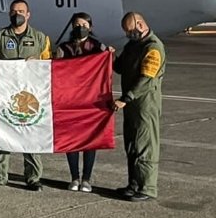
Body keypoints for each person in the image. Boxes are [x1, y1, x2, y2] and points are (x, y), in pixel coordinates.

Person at [0, 0, 51, 190]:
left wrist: (37, 59)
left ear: (28, 14)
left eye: (21, 11)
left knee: (31, 135)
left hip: (31, 95)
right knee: (3, 134)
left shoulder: (40, 38)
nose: (17, 14)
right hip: (5, 95)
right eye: (14, 11)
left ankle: (33, 178)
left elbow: (49, 65)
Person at [53, 12, 112, 192]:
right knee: (71, 139)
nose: (80, 28)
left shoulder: (97, 47)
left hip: (91, 101)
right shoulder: (64, 48)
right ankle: (74, 177)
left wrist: (110, 54)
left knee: (89, 140)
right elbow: (57, 69)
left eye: (84, 24)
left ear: (90, 27)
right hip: (70, 100)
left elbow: (106, 67)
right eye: (77, 25)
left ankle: (86, 179)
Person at [113, 11, 165, 202]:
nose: (128, 35)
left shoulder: (153, 48)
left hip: (145, 104)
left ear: (140, 25)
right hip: (132, 105)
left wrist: (126, 98)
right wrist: (110, 56)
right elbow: (120, 67)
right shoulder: (133, 45)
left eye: (130, 31)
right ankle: (134, 184)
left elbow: (146, 79)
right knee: (132, 145)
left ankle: (147, 187)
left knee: (145, 145)